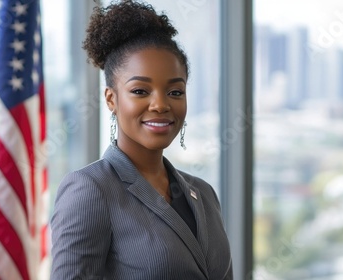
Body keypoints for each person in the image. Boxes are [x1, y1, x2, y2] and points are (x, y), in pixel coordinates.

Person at [49, 1, 233, 279]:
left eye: (174, 92)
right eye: (140, 90)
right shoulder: (91, 190)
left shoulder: (204, 193)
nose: (160, 104)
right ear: (111, 98)